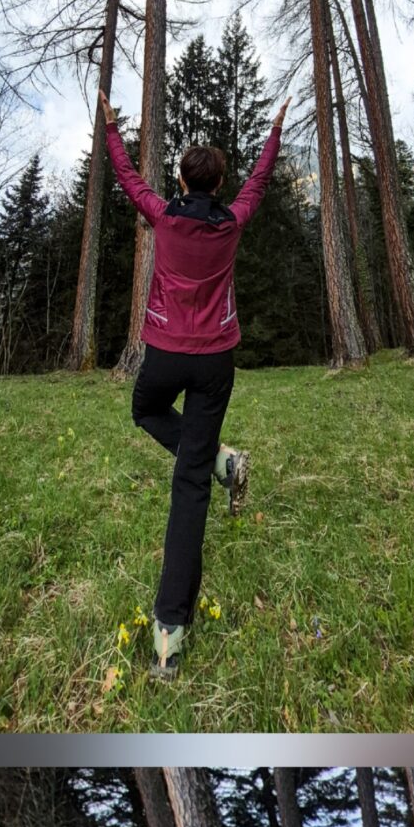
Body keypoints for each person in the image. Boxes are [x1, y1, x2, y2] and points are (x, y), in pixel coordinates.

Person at [99, 90, 290, 680]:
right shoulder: (231, 221)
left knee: (146, 409)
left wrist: (111, 127)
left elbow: (128, 177)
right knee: (191, 485)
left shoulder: (163, 214)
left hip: (164, 353)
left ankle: (168, 634)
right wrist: (275, 130)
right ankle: (219, 465)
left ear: (182, 179)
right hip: (215, 364)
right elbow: (259, 181)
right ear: (218, 183)